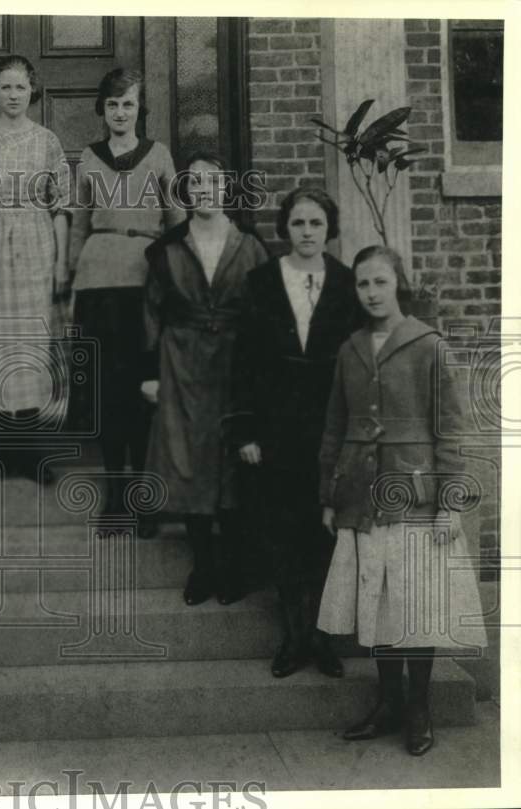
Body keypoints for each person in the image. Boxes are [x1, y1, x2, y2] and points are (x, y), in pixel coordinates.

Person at [317, 245, 487, 755]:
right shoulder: (349, 349)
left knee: (416, 606)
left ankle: (419, 709)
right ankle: (389, 702)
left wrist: (449, 502)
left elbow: (451, 430)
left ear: (399, 285)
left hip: (416, 498)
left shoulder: (428, 346)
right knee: (380, 603)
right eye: (363, 284)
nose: (371, 293)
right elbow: (335, 425)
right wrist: (330, 495)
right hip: (362, 497)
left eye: (380, 283)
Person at [227, 188, 361, 678]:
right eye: (299, 223)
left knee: (323, 530)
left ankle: (321, 638)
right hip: (275, 421)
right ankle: (293, 635)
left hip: (330, 423)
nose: (307, 232)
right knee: (282, 528)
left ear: (329, 230)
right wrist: (244, 430)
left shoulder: (347, 283)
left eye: (316, 224)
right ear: (285, 229)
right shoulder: (262, 281)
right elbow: (242, 360)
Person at [142, 151, 268, 606]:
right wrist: (149, 373)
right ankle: (204, 564)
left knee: (231, 458)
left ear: (226, 188)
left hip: (236, 362)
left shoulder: (249, 244)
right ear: (185, 192)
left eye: (212, 181)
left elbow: (264, 312)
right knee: (190, 458)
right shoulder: (167, 248)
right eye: (194, 183)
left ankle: (232, 563)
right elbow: (152, 312)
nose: (203, 190)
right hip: (183, 361)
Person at [68, 67, 185, 531]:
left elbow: (176, 222)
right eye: (113, 104)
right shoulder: (89, 159)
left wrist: (176, 283)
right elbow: (78, 223)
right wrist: (68, 281)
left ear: (141, 109)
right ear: (103, 109)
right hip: (97, 284)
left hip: (146, 282)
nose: (120, 112)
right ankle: (115, 492)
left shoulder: (159, 156)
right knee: (107, 391)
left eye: (129, 104)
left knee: (144, 388)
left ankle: (145, 494)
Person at [0, 55, 71, 480]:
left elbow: (61, 206)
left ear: (32, 91)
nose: (12, 95)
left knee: (33, 344)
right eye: (5, 87)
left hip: (36, 245)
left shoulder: (48, 142)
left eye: (20, 88)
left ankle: (32, 453)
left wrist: (61, 261)